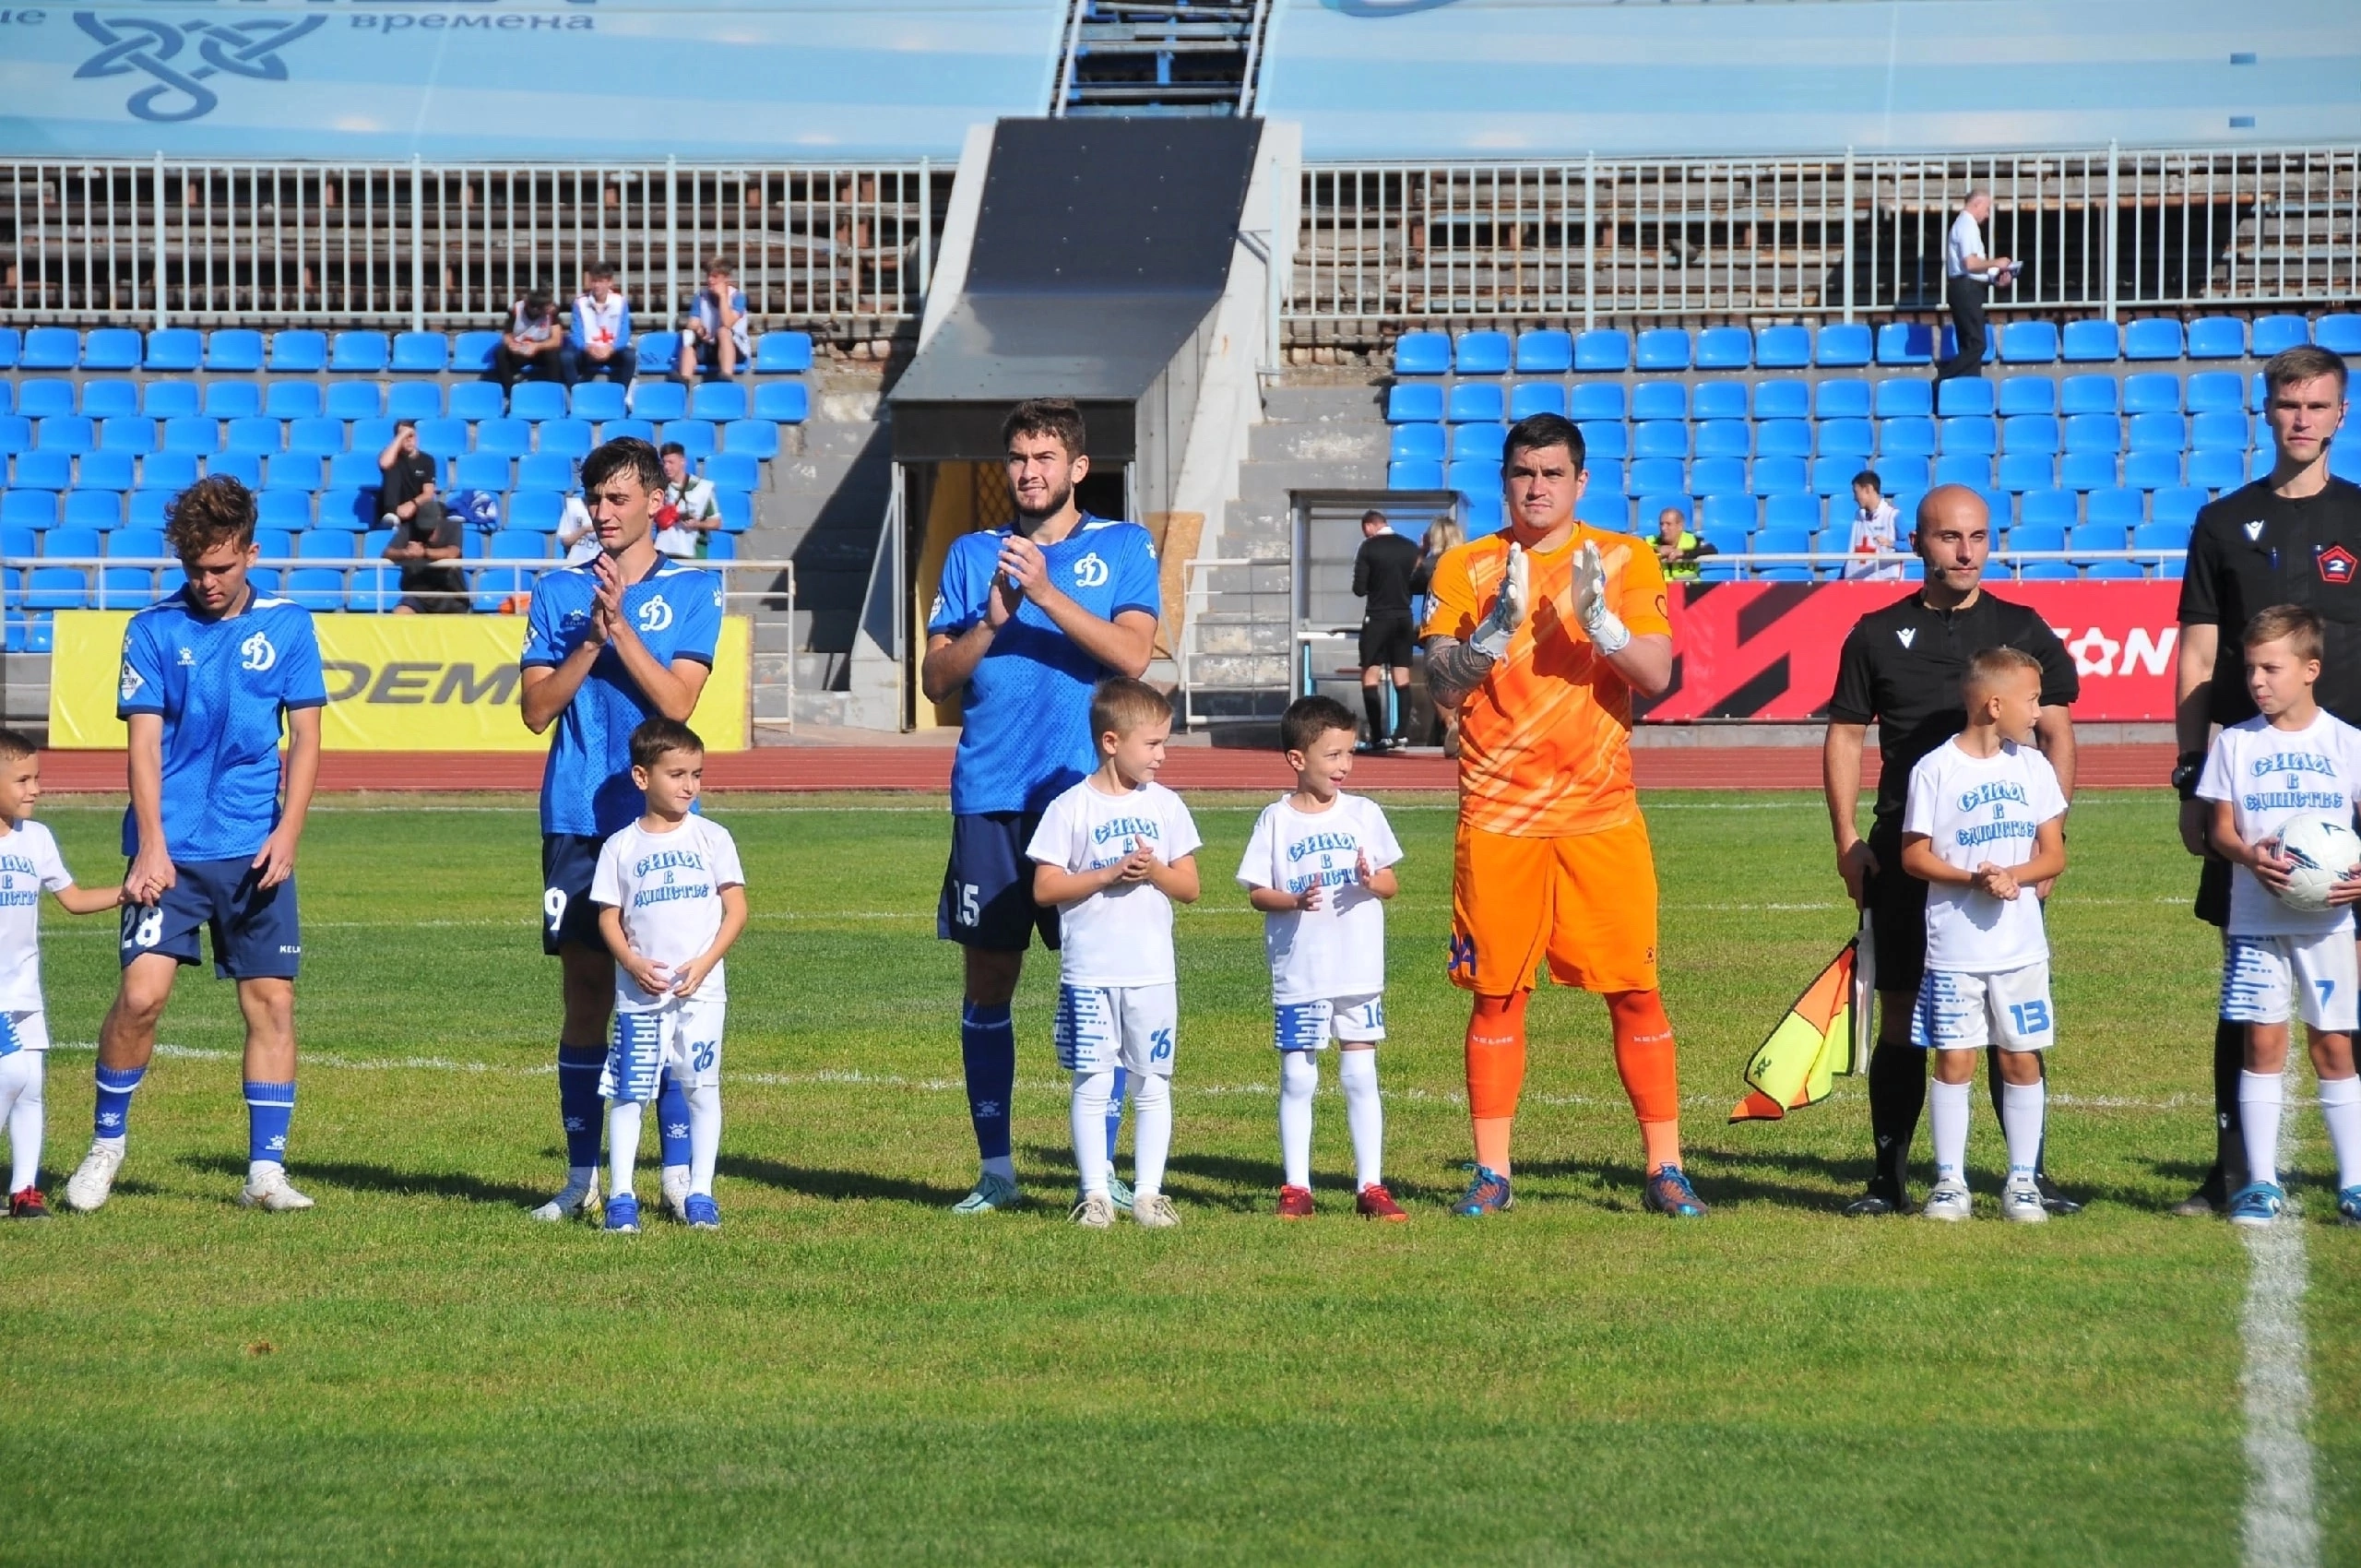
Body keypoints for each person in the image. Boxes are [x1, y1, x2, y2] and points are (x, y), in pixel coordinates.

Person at [1419, 412, 1705, 1219]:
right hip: (1499, 816)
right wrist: (1492, 638)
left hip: (1600, 814)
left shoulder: (1622, 557)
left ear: (1581, 482)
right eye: (1523, 473)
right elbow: (1441, 682)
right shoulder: (1467, 565)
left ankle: (1665, 1166)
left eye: (1552, 473)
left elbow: (1654, 674)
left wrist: (1604, 622)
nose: (1536, 487)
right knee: (1497, 995)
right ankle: (1492, 1173)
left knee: (1636, 990)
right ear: (1503, 481)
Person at [919, 398, 1160, 1216]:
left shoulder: (1122, 545)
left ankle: (1106, 1174)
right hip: (989, 793)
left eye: (1046, 457)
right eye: (1019, 457)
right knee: (989, 978)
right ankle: (997, 1170)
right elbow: (936, 679)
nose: (1030, 472)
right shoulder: (969, 554)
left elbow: (1133, 656)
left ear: (1077, 468)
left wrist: (1047, 595)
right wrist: (993, 622)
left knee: (1101, 984)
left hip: (1086, 800)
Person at [63, 476, 326, 1214]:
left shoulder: (290, 626)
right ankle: (105, 1147)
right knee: (141, 998)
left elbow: (305, 738)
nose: (208, 583)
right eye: (195, 570)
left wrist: (289, 831)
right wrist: (151, 844)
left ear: (251, 552)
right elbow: (142, 749)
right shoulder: (151, 629)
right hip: (169, 854)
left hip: (254, 849)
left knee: (271, 1003)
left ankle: (265, 1172)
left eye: (222, 567)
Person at [1823, 484, 2080, 1217]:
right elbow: (1845, 736)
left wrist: (2044, 844)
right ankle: (1890, 1180)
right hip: (1911, 853)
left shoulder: (2023, 626)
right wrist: (1846, 839)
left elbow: (2057, 732)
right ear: (1918, 545)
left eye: (1976, 537)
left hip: (2006, 859)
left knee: (2008, 1018)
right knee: (1904, 1013)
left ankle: (2027, 1178)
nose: (1964, 551)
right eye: (1947, 537)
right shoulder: (1875, 633)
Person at [2171, 343, 2361, 1217]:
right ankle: (2231, 1173)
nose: (2301, 420)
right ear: (2267, 410)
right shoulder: (2222, 522)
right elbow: (2201, 653)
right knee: (2246, 989)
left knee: (2348, 995)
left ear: (2340, 414)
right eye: (2288, 405)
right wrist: (2189, 775)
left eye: (2317, 406)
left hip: (2346, 787)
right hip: (2257, 790)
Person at [518, 437, 723, 1225]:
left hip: (661, 829)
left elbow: (678, 705)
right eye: (594, 500)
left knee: (667, 994)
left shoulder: (693, 587)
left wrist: (624, 630)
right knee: (585, 995)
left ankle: (675, 1176)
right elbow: (538, 710)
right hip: (575, 817)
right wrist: (593, 638)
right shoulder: (555, 592)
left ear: (652, 505)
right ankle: (581, 1178)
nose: (602, 514)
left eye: (617, 499)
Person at [2195, 606, 2361, 1228]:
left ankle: (2355, 1182)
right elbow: (2221, 829)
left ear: (2311, 669)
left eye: (2272, 668)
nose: (2258, 681)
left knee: (2335, 1048)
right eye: (2250, 669)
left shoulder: (2347, 743)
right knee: (2262, 1044)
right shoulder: (2236, 744)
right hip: (2255, 922)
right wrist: (2248, 854)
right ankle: (2259, 1182)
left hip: (2330, 926)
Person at [1897, 647, 2070, 1223]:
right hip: (1954, 952)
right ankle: (1950, 1183)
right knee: (1955, 1060)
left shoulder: (2034, 768)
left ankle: (2021, 1182)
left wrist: (2010, 877)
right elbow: (1914, 856)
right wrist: (1971, 878)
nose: (2040, 711)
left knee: (2021, 1060)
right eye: (2033, 699)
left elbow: (2053, 855)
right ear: (1995, 704)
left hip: (2020, 952)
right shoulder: (1935, 768)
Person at [1026, 679, 1201, 1230]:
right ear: (1110, 741)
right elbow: (1045, 889)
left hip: (1151, 974)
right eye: (1151, 745)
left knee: (1152, 1081)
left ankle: (1149, 1193)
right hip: (1090, 973)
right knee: (1092, 1079)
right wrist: (1106, 874)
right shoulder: (1069, 808)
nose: (1162, 755)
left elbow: (1190, 887)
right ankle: (1094, 1192)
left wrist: (1154, 871)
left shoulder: (1167, 806)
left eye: (1164, 743)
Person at [1237, 695, 1406, 1221]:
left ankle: (1371, 1185)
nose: (1344, 766)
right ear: (1297, 759)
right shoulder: (1275, 820)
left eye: (1348, 754)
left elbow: (1391, 884)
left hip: (1356, 968)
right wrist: (1293, 900)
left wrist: (1369, 879)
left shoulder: (1364, 814)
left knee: (1360, 1073)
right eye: (1332, 755)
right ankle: (1296, 1186)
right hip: (1301, 969)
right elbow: (1257, 892)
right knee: (1298, 1076)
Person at [591, 718, 747, 1234]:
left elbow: (737, 910)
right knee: (631, 1093)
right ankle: (620, 1197)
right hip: (640, 998)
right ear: (642, 777)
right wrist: (632, 963)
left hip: (702, 996)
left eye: (697, 774)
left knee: (702, 1088)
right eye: (677, 774)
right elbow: (608, 917)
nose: (689, 786)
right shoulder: (620, 847)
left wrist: (704, 965)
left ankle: (700, 1192)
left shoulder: (713, 837)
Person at [0, 731, 127, 1219]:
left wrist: (129, 892)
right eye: (22, 780)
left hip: (23, 988)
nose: (34, 789)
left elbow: (72, 900)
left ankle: (24, 1191)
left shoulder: (38, 839)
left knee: (30, 1084)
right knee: (10, 1073)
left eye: (38, 778)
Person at [1350, 509, 1421, 751]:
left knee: (1370, 675)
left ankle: (1378, 737)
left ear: (1370, 526)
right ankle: (1401, 734)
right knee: (1401, 676)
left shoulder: (1368, 548)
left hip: (1378, 618)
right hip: (1403, 617)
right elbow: (1419, 583)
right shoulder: (1410, 547)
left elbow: (1359, 588)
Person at [1936, 190, 2014, 385]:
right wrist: (1998, 262)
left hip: (1967, 286)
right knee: (1977, 344)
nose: (1987, 215)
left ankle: (1967, 387)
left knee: (1969, 345)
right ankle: (1940, 382)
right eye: (1986, 209)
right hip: (1966, 288)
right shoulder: (1967, 225)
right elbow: (1970, 264)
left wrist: (1995, 279)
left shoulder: (1965, 225)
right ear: (1976, 204)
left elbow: (1973, 268)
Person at [381, 452, 465, 614]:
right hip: (417, 595)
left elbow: (453, 552)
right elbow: (387, 552)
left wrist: (423, 552)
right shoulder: (409, 529)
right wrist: (406, 553)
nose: (426, 532)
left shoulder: (453, 527)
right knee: (400, 614)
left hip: (450, 595)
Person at [1410, 514, 1464, 748]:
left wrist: (1421, 553)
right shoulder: (1466, 559)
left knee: (1438, 681)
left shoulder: (1432, 564)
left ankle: (1450, 721)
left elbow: (1411, 585)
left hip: (1438, 626)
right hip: (1466, 625)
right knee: (1466, 677)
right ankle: (1463, 725)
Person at [676, 258, 751, 381]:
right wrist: (700, 329)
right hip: (710, 345)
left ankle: (726, 377)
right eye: (708, 276)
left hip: (735, 347)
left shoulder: (738, 297)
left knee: (723, 331)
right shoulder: (700, 296)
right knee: (689, 335)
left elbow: (728, 323)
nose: (710, 280)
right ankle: (684, 380)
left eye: (715, 277)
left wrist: (722, 296)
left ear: (726, 278)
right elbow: (692, 322)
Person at [566, 261, 636, 386]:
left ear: (610, 282)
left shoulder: (620, 302)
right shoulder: (580, 303)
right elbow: (575, 333)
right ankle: (574, 392)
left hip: (612, 351)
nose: (597, 285)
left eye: (601, 281)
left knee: (630, 356)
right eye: (594, 281)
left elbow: (625, 333)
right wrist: (587, 347)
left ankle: (623, 393)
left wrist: (611, 348)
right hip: (588, 351)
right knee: (566, 357)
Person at [651, 442, 722, 561]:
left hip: (693, 554)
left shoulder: (703, 488)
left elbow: (716, 522)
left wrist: (697, 524)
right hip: (664, 552)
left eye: (671, 462)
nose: (667, 467)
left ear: (683, 461)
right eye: (664, 462)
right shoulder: (657, 488)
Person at [492, 290, 571, 389]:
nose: (550, 309)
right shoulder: (516, 310)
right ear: (535, 309)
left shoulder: (552, 312)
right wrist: (512, 345)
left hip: (542, 350)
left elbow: (556, 341)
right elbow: (507, 335)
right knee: (500, 353)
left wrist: (537, 346)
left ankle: (553, 390)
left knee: (554, 355)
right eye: (546, 308)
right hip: (520, 350)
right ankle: (510, 391)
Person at [377, 421, 442, 533]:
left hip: (415, 508)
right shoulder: (391, 456)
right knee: (392, 466)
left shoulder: (427, 460)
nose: (408, 439)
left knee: (437, 508)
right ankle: (391, 514)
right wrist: (400, 436)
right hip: (393, 508)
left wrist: (412, 504)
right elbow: (384, 463)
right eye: (403, 436)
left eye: (411, 435)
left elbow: (429, 492)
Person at [1845, 471, 1904, 582]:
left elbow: (1911, 546)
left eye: (1856, 492)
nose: (1854, 498)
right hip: (1857, 584)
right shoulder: (1858, 516)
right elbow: (1852, 550)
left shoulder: (1893, 516)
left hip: (1886, 583)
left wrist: (1891, 543)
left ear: (1868, 489)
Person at [1652, 505, 1714, 582]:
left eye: (1668, 524)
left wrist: (1684, 553)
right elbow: (1634, 549)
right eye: (1661, 524)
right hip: (1661, 591)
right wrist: (1655, 550)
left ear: (1680, 526)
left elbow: (1711, 549)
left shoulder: (1693, 540)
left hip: (1690, 590)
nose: (1663, 528)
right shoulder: (1651, 541)